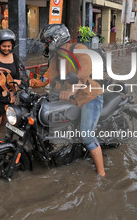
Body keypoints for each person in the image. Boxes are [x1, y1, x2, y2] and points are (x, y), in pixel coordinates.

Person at [40, 24, 106, 177]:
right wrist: (25, 83)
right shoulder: (56, 58)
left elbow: (84, 72)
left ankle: (102, 175)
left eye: (47, 42)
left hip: (90, 96)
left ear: (57, 39)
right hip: (72, 99)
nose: (46, 45)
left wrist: (72, 89)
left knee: (87, 136)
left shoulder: (78, 49)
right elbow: (48, 78)